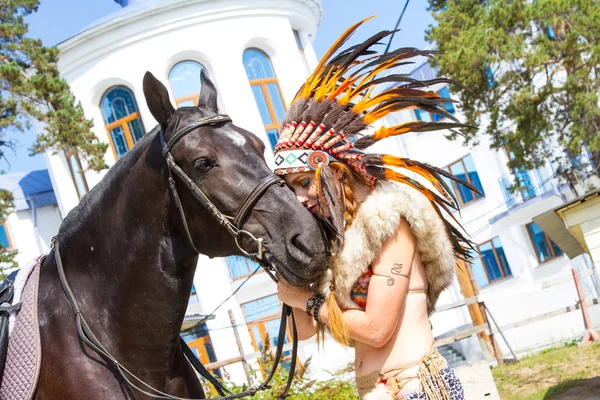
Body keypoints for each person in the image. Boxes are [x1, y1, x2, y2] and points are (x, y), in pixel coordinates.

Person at [272, 18, 480, 400]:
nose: (300, 197)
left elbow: (377, 329)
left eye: (304, 181)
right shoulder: (337, 245)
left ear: (336, 170)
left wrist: (308, 300)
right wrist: (290, 276)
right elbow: (303, 332)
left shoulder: (391, 223)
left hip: (417, 387)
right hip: (373, 391)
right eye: (291, 188)